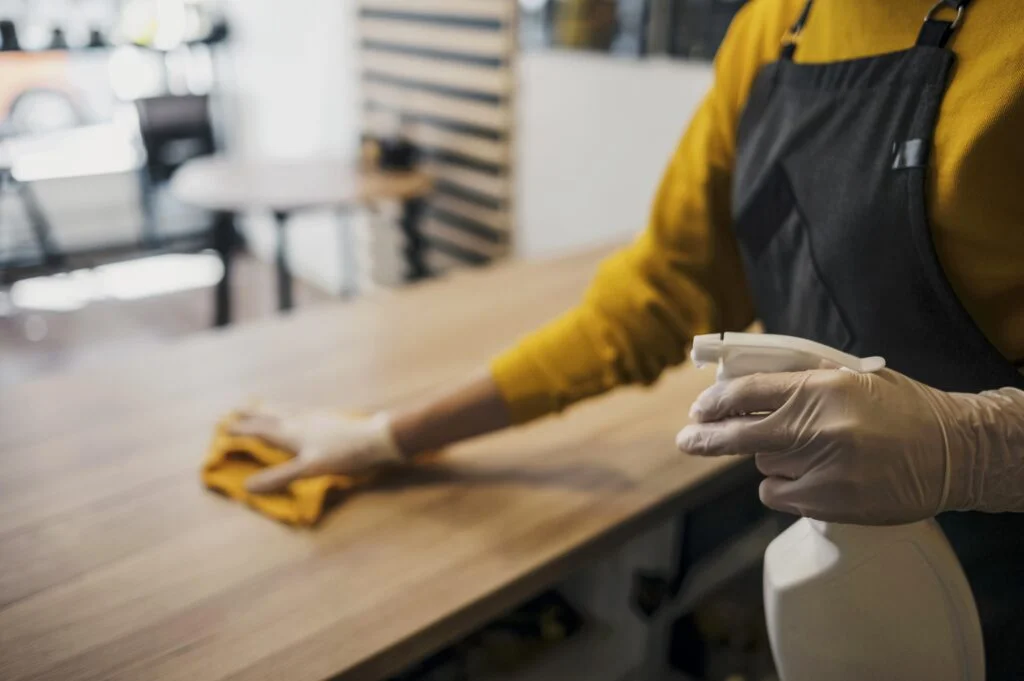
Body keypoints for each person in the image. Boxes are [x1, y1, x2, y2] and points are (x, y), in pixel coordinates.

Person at [229, 0, 1024, 677]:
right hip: (841, 558)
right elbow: (653, 298)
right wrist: (386, 436)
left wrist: (977, 447)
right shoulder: (776, 27)